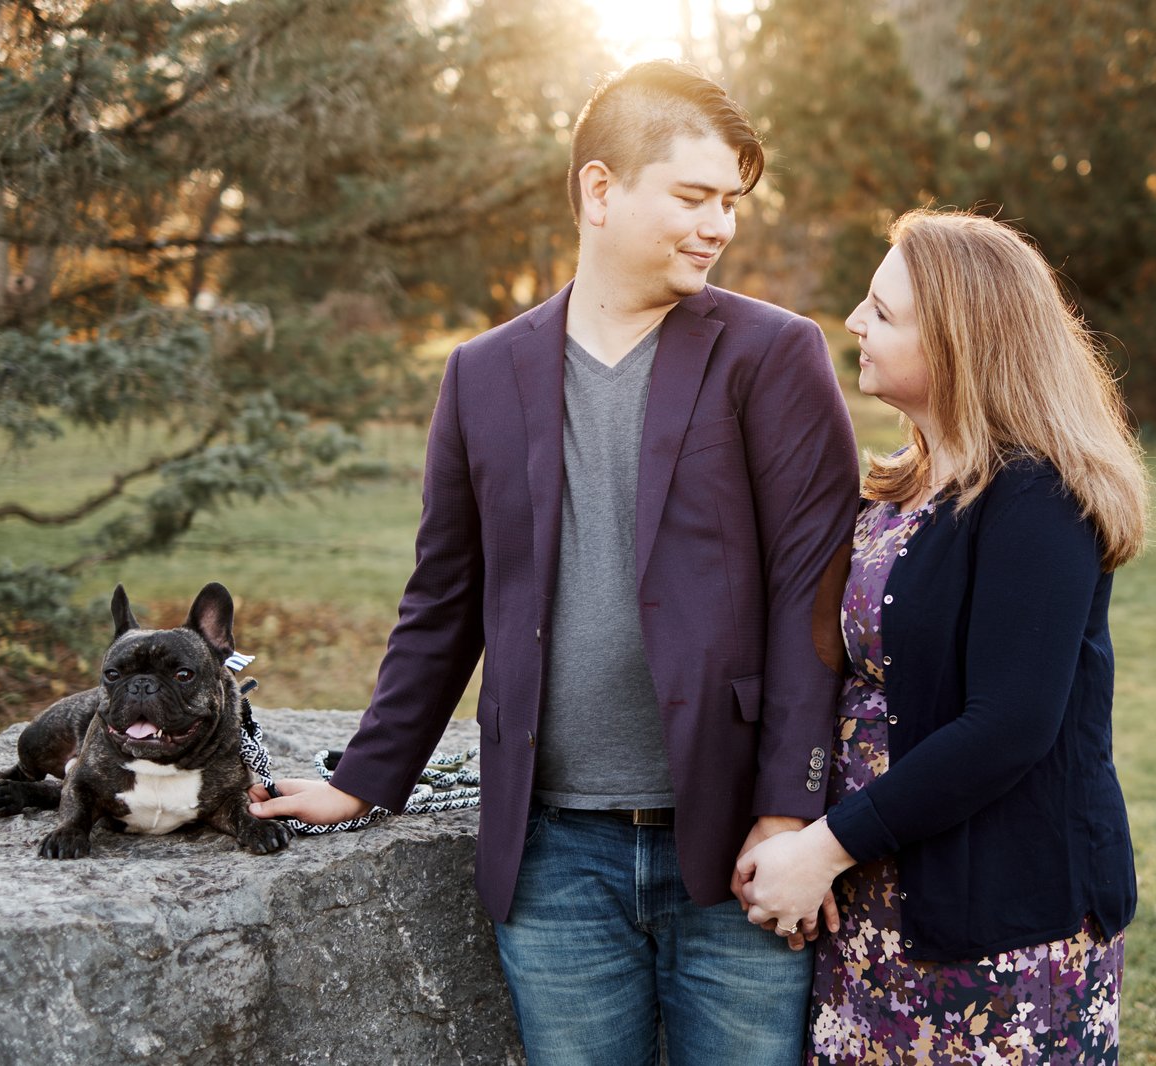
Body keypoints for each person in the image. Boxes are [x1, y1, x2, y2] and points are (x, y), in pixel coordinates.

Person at [249, 60, 859, 1065]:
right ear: (600, 189)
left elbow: (814, 589)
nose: (718, 226)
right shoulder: (481, 374)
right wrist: (363, 778)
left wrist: (789, 809)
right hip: (553, 856)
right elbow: (443, 597)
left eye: (731, 204)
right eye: (694, 197)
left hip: (734, 843)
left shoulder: (772, 354)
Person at [734, 208, 1150, 1064]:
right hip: (876, 901)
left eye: (883, 313)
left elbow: (1008, 725)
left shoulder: (1038, 497)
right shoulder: (905, 484)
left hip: (995, 920)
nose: (852, 320)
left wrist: (823, 847)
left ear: (963, 344)